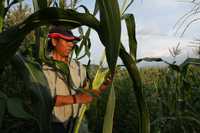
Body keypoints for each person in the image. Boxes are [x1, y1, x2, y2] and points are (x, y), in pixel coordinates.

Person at [42, 25, 113, 133]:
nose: (71, 44)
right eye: (66, 41)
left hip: (77, 123)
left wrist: (102, 87)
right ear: (54, 41)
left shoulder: (79, 67)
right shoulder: (44, 67)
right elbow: (45, 100)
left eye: (72, 41)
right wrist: (78, 98)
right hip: (54, 125)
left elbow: (87, 95)